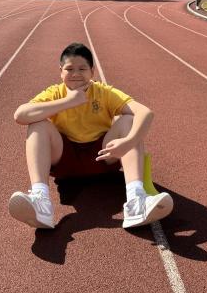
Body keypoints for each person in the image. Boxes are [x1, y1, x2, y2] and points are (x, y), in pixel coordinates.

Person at [10, 42, 173, 229]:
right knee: (37, 124)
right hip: (65, 160)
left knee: (128, 120)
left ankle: (136, 201)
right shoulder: (54, 93)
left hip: (102, 157)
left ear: (92, 72)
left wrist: (128, 142)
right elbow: (20, 115)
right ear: (61, 72)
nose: (76, 74)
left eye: (82, 69)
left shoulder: (104, 93)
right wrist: (68, 101)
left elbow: (145, 112)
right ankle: (41, 202)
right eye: (69, 69)